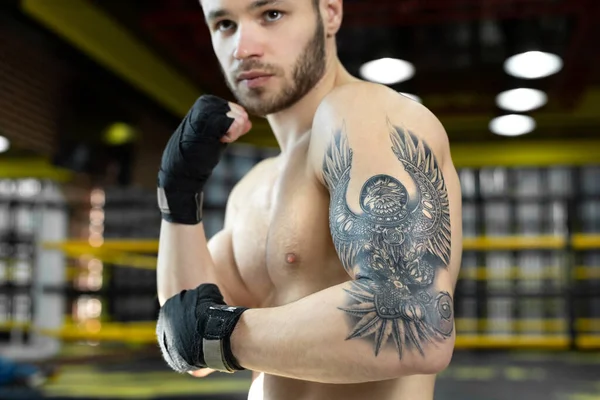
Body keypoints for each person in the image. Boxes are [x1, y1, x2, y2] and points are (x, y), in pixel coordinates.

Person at [155, 0, 463, 399]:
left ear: (330, 12)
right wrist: (178, 197)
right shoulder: (252, 188)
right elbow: (189, 336)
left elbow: (416, 322)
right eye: (226, 24)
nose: (243, 48)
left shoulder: (364, 114)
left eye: (271, 15)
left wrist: (219, 335)